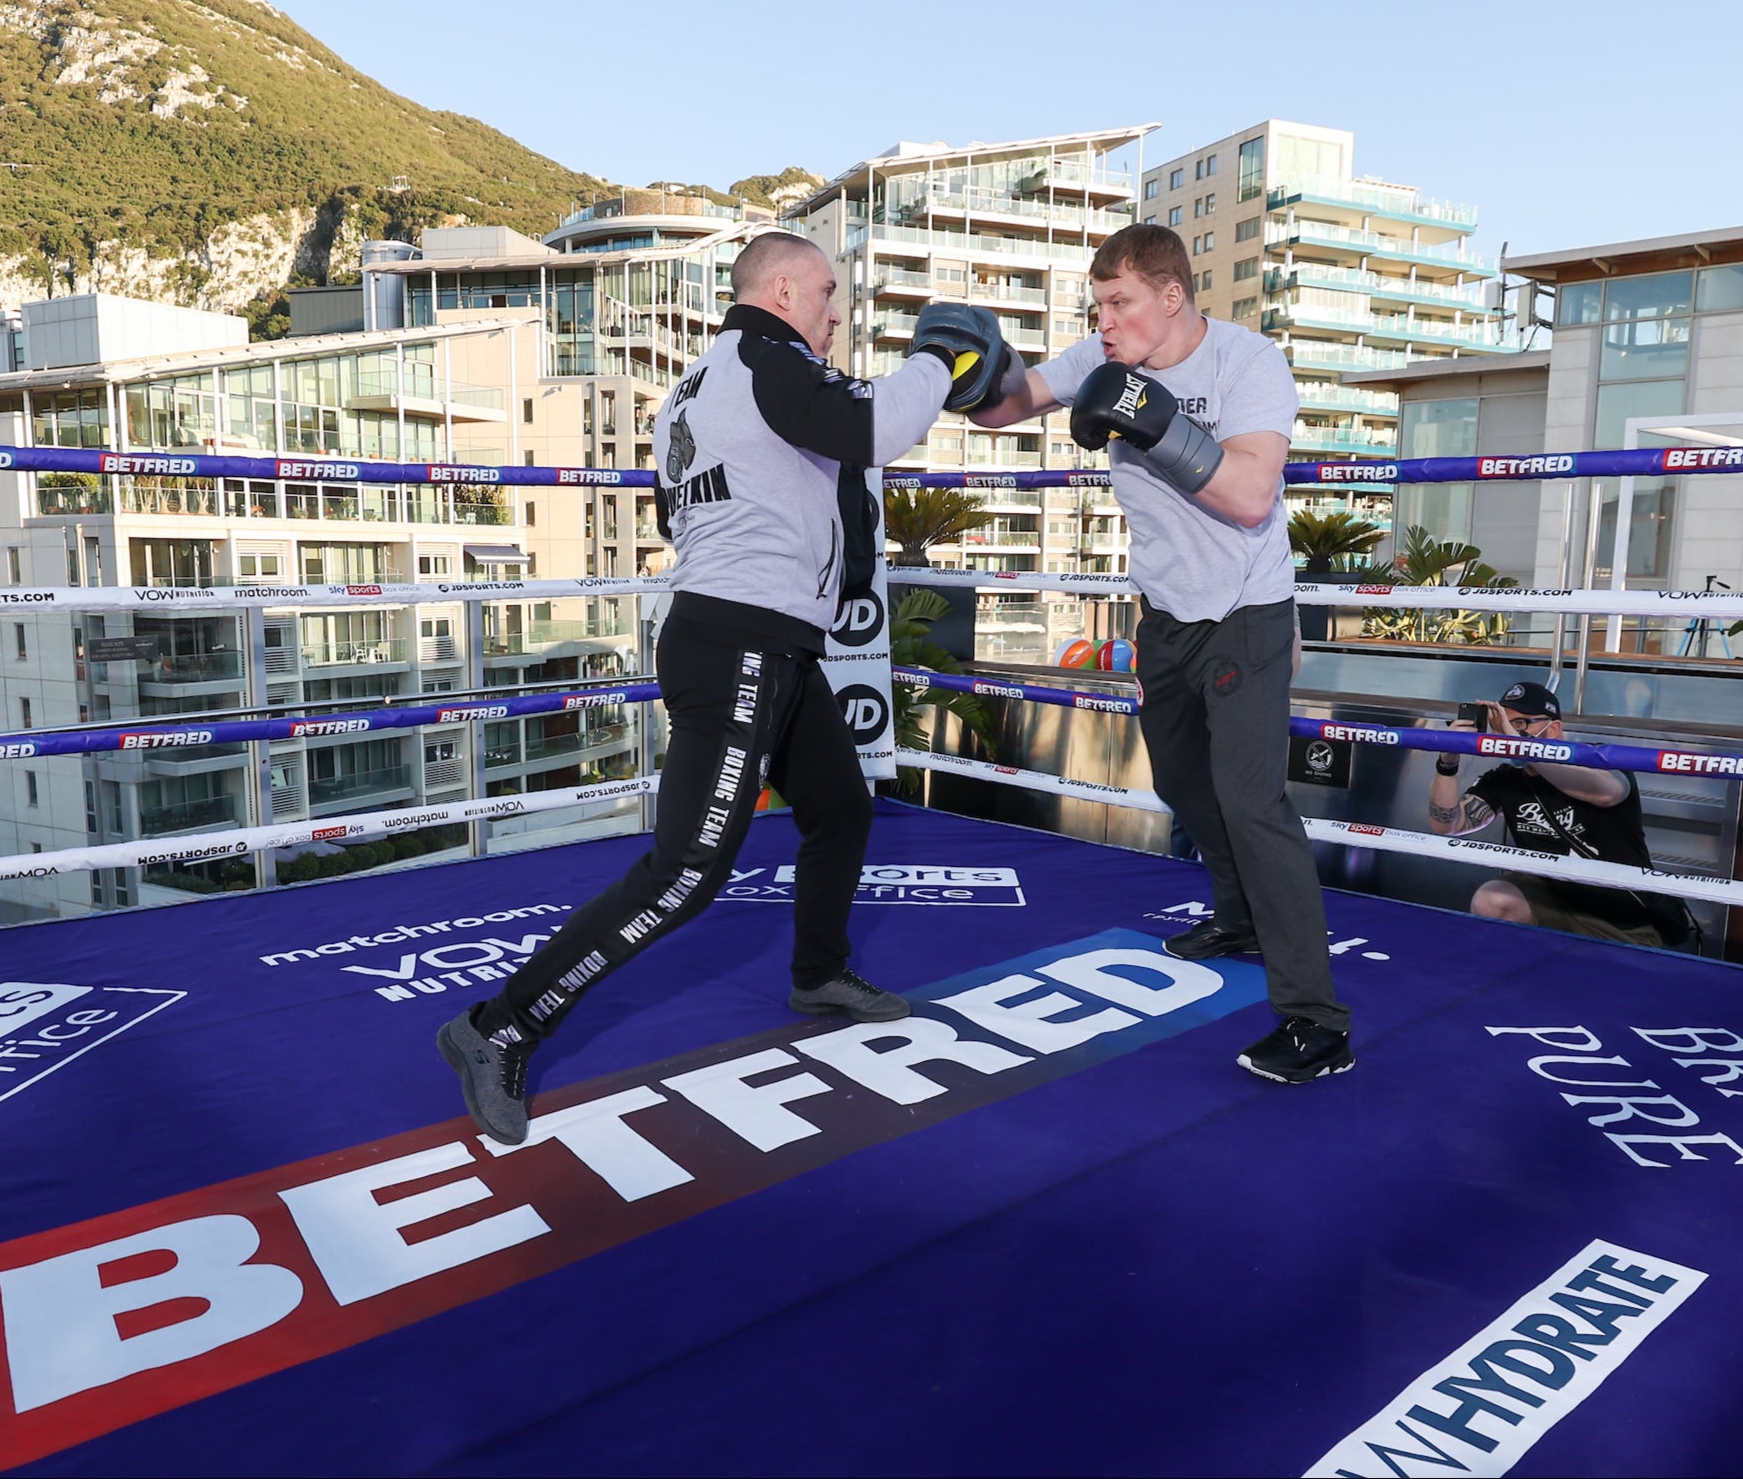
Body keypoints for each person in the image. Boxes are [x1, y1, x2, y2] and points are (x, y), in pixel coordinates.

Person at [439, 232, 1020, 1143]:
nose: (838, 314)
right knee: (686, 873)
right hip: (742, 644)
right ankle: (498, 1025)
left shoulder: (696, 384)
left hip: (764, 641)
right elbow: (873, 427)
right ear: (783, 289)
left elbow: (690, 509)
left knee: (838, 806)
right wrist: (941, 358)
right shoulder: (766, 357)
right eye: (829, 293)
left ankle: (818, 970)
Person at [970, 223, 1351, 1084]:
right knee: (1182, 782)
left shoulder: (1249, 364)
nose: (1104, 322)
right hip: (1169, 613)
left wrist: (1151, 423)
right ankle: (1239, 917)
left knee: (1252, 803)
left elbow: (1253, 496)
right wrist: (969, 365)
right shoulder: (1103, 359)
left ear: (1171, 296)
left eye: (1120, 303)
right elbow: (1007, 404)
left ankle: (1317, 1021)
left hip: (1248, 612)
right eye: (1097, 305)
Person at [1429, 681, 1697, 947]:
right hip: (1551, 899)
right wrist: (1448, 762)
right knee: (1493, 900)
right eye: (1504, 724)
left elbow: (1606, 792)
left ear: (1553, 728)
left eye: (1520, 724)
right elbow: (1448, 824)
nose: (1508, 733)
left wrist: (1524, 752)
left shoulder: (1594, 757)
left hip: (1620, 918)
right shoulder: (1506, 777)